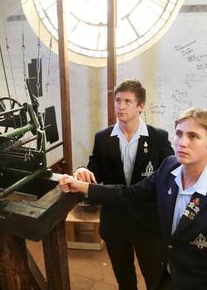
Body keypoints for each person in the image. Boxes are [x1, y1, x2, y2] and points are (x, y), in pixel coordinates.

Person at [60, 108, 207, 290]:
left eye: (193, 136)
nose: (182, 142)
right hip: (164, 278)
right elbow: (132, 194)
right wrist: (85, 187)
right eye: (179, 133)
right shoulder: (169, 168)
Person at [74, 80, 174, 290]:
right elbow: (95, 171)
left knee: (156, 279)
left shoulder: (158, 138)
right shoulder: (103, 138)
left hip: (148, 224)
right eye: (118, 100)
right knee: (124, 279)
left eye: (128, 101)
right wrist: (83, 171)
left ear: (141, 106)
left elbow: (171, 176)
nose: (121, 106)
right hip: (115, 223)